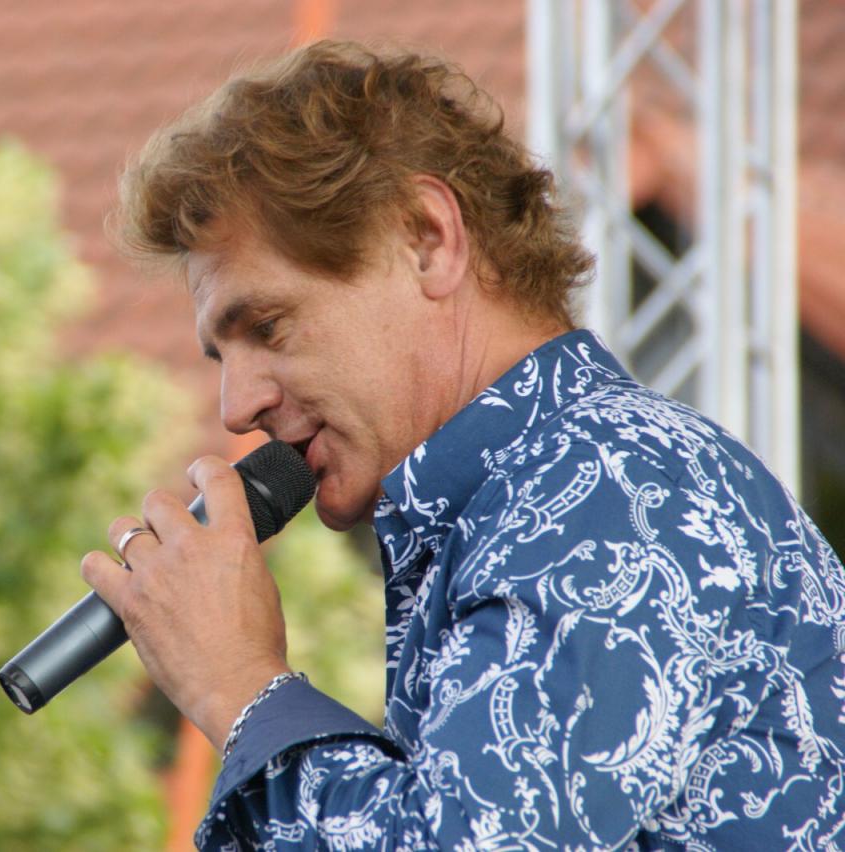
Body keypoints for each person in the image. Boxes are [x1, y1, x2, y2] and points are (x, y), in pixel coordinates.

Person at [80, 40, 845, 849]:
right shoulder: (537, 495)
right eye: (220, 356)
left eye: (266, 326)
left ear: (427, 239)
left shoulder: (611, 488)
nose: (237, 407)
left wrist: (238, 686)